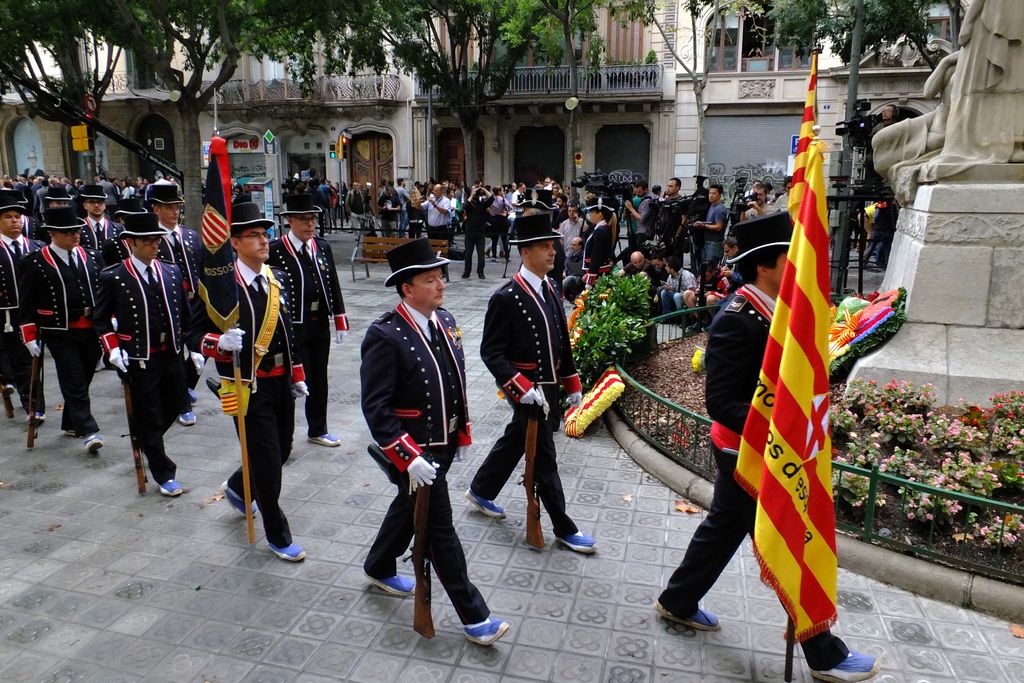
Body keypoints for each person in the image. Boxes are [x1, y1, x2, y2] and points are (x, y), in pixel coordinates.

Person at [655, 212, 880, 683]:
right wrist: (782, 432)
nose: (797, 266)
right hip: (749, 453)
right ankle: (823, 652)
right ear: (765, 266)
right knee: (786, 541)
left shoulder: (773, 310)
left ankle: (677, 600)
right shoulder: (738, 319)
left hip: (762, 450)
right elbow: (720, 402)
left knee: (724, 528)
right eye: (788, 258)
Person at [359, 237, 510, 646]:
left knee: (408, 510)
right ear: (407, 288)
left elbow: (453, 381)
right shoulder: (384, 335)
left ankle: (377, 565)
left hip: (440, 445)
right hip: (411, 451)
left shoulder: (443, 320)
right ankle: (474, 615)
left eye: (440, 275)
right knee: (439, 529)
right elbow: (376, 408)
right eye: (431, 279)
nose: (441, 284)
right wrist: (406, 457)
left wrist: (459, 433)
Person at [465, 213, 595, 553]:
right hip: (526, 391)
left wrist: (572, 384)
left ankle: (481, 489)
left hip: (549, 387)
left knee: (516, 439)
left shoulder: (552, 286)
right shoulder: (506, 297)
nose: (553, 252)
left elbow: (561, 341)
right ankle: (564, 527)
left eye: (553, 245)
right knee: (544, 457)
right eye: (544, 247)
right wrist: (520, 387)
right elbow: (491, 353)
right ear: (525, 252)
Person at [188, 202, 309, 562]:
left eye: (264, 234)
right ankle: (278, 534)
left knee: (283, 449)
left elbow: (288, 333)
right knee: (269, 462)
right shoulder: (221, 286)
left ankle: (241, 490)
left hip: (280, 381)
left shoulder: (276, 278)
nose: (263, 241)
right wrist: (217, 343)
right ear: (235, 243)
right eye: (253, 236)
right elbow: (192, 331)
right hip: (245, 386)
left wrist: (297, 373)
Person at [94, 213, 198, 497]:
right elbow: (101, 319)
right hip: (140, 357)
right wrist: (112, 348)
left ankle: (145, 440)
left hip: (172, 353)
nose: (155, 245)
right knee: (149, 414)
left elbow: (185, 316)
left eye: (157, 240)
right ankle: (164, 472)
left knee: (177, 404)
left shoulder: (171, 271)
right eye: (149, 241)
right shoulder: (114, 276)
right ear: (132, 243)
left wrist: (195, 347)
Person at [18, 207, 104, 453]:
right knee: (73, 377)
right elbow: (27, 301)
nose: (75, 236)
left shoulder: (92, 256)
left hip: (91, 328)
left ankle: (71, 421)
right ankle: (88, 430)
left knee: (85, 376)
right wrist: (29, 334)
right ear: (53, 233)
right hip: (58, 331)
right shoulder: (34, 262)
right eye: (68, 232)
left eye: (76, 231)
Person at [268, 193, 349, 448]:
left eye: (312, 219)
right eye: (303, 220)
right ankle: (284, 438)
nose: (309, 225)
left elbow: (332, 282)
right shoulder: (276, 250)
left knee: (319, 378)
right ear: (290, 220)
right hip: (292, 326)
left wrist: (339, 318)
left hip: (318, 322)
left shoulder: (321, 246)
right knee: (292, 381)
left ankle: (318, 428)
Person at [150, 181, 203, 427]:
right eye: (169, 207)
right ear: (156, 209)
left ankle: (184, 386)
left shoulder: (190, 236)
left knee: (200, 349)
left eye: (177, 207)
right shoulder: (151, 239)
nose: (175, 212)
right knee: (174, 353)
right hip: (167, 305)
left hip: (195, 302)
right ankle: (181, 402)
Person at [0, 189, 44, 421]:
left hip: (38, 312)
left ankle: (36, 401)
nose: (15, 221)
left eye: (17, 216)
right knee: (20, 359)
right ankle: (32, 404)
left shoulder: (36, 246)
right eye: (8, 217)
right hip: (8, 313)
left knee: (37, 359)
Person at [76, 184, 122, 255]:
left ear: (105, 205)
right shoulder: (78, 229)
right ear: (84, 205)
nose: (96, 205)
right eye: (91, 202)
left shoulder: (118, 228)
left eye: (100, 202)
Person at [581, 196, 616, 288]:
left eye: (592, 212)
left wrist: (590, 279)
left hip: (598, 275)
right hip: (596, 273)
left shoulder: (601, 230)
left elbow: (596, 256)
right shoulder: (599, 229)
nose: (590, 215)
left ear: (599, 214)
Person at [461, 184, 493, 279]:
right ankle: (467, 272)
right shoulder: (469, 202)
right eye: (474, 190)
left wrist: (483, 189)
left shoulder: (482, 204)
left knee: (480, 254)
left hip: (480, 231)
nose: (476, 192)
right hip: (470, 231)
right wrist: (471, 194)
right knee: (468, 253)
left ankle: (480, 272)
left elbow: (491, 199)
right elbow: (465, 206)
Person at [691, 184, 728, 266]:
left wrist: (703, 225)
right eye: (710, 193)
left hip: (714, 244)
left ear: (720, 195)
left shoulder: (720, 209)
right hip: (707, 242)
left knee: (710, 267)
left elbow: (718, 227)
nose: (711, 195)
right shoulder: (712, 206)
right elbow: (711, 222)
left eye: (714, 193)